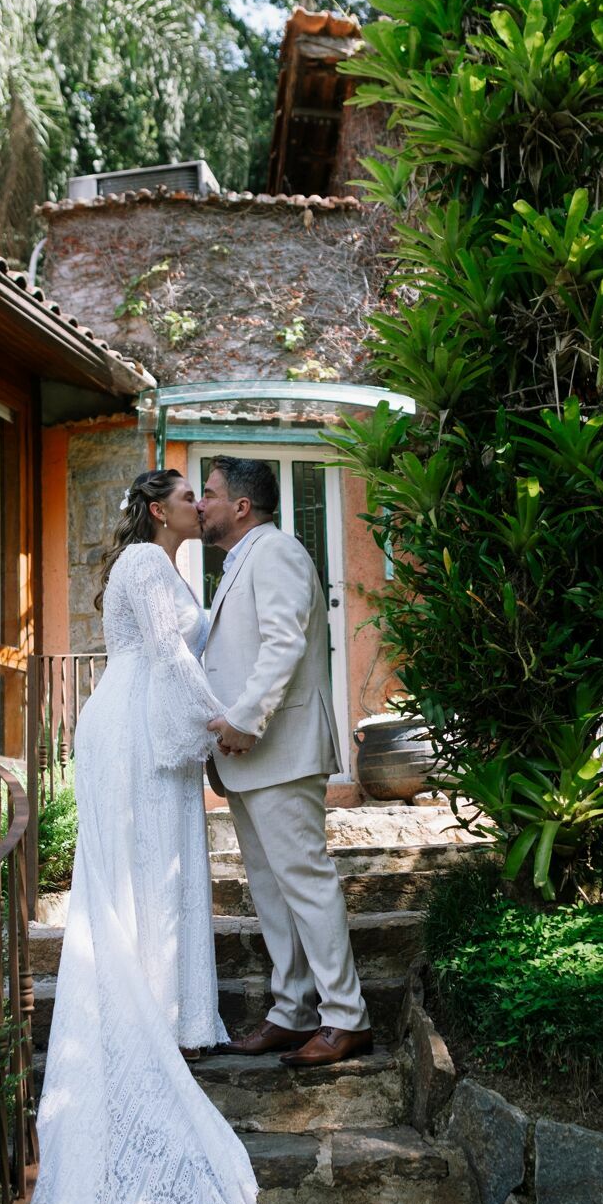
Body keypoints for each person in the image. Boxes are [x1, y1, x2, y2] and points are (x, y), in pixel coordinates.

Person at [23, 469, 265, 1204]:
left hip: (149, 728)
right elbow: (169, 657)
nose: (199, 506)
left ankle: (174, 1010)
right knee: (141, 870)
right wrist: (225, 723)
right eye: (186, 497)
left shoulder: (166, 566)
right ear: (158, 509)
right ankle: (154, 1012)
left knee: (167, 870)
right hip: (129, 727)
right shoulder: (144, 564)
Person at [199, 455, 372, 1068]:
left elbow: (282, 643)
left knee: (305, 881)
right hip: (250, 760)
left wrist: (244, 720)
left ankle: (346, 1017)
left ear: (241, 507)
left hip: (281, 749)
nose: (200, 504)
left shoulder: (275, 553)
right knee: (270, 890)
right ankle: (292, 1010)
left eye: (210, 494)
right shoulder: (239, 562)